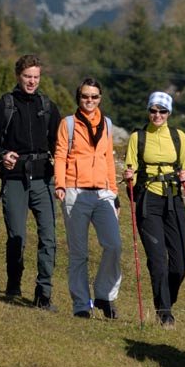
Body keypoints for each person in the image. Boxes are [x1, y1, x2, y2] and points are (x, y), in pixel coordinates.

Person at [0, 54, 61, 309]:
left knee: (48, 236)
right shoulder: (4, 105)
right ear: (18, 76)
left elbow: (60, 143)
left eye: (36, 77)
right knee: (17, 236)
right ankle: (14, 283)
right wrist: (2, 155)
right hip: (15, 178)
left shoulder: (48, 107)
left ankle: (43, 293)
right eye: (27, 76)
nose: (32, 82)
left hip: (43, 179)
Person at [123, 91, 185, 327]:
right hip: (149, 201)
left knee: (180, 266)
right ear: (148, 111)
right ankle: (164, 312)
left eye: (162, 111)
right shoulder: (138, 137)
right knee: (157, 261)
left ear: (169, 113)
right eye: (153, 110)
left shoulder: (178, 137)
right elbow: (130, 169)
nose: (157, 115)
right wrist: (129, 178)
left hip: (174, 200)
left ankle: (167, 301)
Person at [54, 78, 122, 319]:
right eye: (85, 96)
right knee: (78, 252)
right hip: (74, 191)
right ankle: (81, 304)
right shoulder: (68, 124)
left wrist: (114, 193)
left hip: (102, 193)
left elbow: (108, 159)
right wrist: (60, 184)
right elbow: (60, 155)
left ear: (100, 98)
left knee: (114, 245)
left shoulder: (107, 124)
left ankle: (104, 295)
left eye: (94, 97)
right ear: (78, 98)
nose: (89, 101)